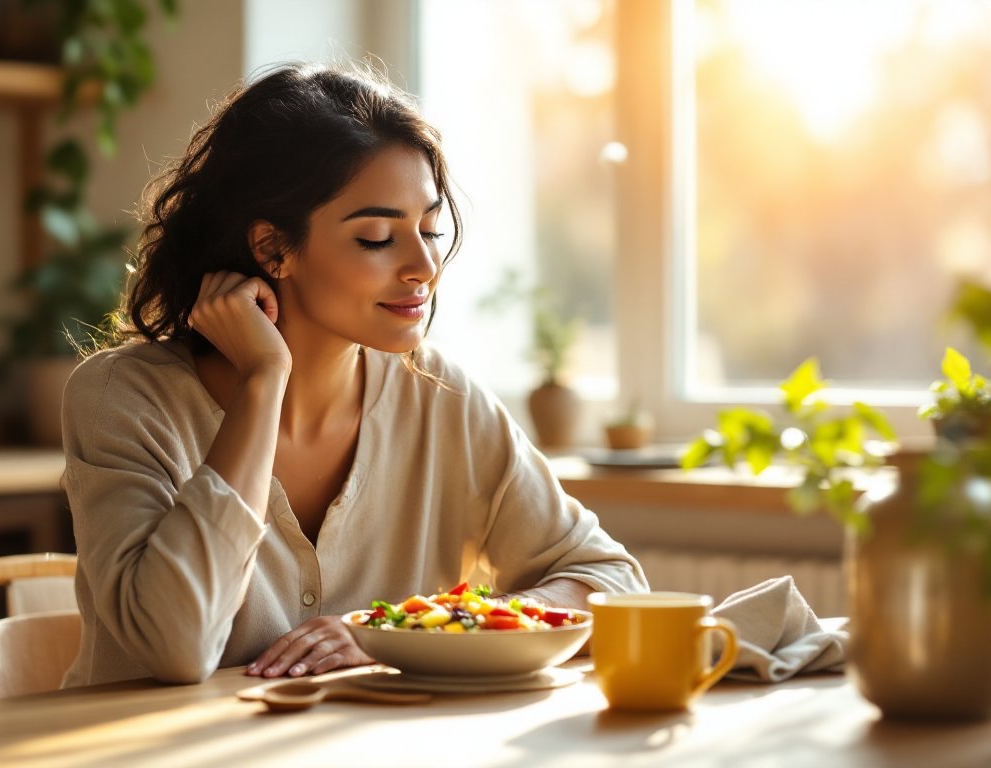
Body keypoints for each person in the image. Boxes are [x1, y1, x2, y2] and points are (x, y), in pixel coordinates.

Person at [59, 62, 647, 688]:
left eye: (429, 230)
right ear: (272, 250)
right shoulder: (123, 399)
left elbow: (609, 581)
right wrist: (264, 379)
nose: (424, 266)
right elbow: (176, 647)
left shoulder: (439, 395)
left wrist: (411, 629)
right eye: (376, 238)